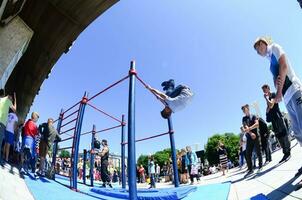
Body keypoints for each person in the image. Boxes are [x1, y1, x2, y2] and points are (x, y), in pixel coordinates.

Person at [262, 84, 291, 163]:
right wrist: (267, 106)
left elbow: (271, 105)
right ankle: (285, 153)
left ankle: (288, 152)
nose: (264, 92)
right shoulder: (268, 98)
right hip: (273, 120)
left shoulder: (274, 94)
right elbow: (267, 110)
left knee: (284, 134)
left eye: (265, 90)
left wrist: (266, 99)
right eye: (263, 91)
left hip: (278, 117)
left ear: (268, 88)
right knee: (279, 136)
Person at [241, 104, 262, 175]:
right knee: (248, 154)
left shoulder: (254, 116)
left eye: (245, 108)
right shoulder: (244, 119)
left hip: (256, 135)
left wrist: (249, 128)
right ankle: (250, 169)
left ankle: (260, 166)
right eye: (243, 110)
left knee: (258, 151)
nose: (244, 110)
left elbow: (257, 124)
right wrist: (250, 133)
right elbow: (245, 127)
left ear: (248, 108)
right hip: (249, 137)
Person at [20, 112, 39, 176]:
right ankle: (26, 168)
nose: (37, 120)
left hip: (25, 138)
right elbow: (36, 136)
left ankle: (22, 167)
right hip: (31, 140)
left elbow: (23, 130)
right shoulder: (34, 125)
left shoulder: (27, 122)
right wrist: (37, 147)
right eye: (37, 118)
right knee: (29, 155)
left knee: (23, 153)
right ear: (35, 117)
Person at [0, 90, 16, 164]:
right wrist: (15, 99)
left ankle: (2, 157)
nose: (11, 100)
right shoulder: (8, 101)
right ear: (9, 97)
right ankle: (2, 159)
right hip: (2, 123)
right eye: (11, 99)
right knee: (2, 142)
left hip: (3, 124)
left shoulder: (1, 99)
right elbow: (14, 109)